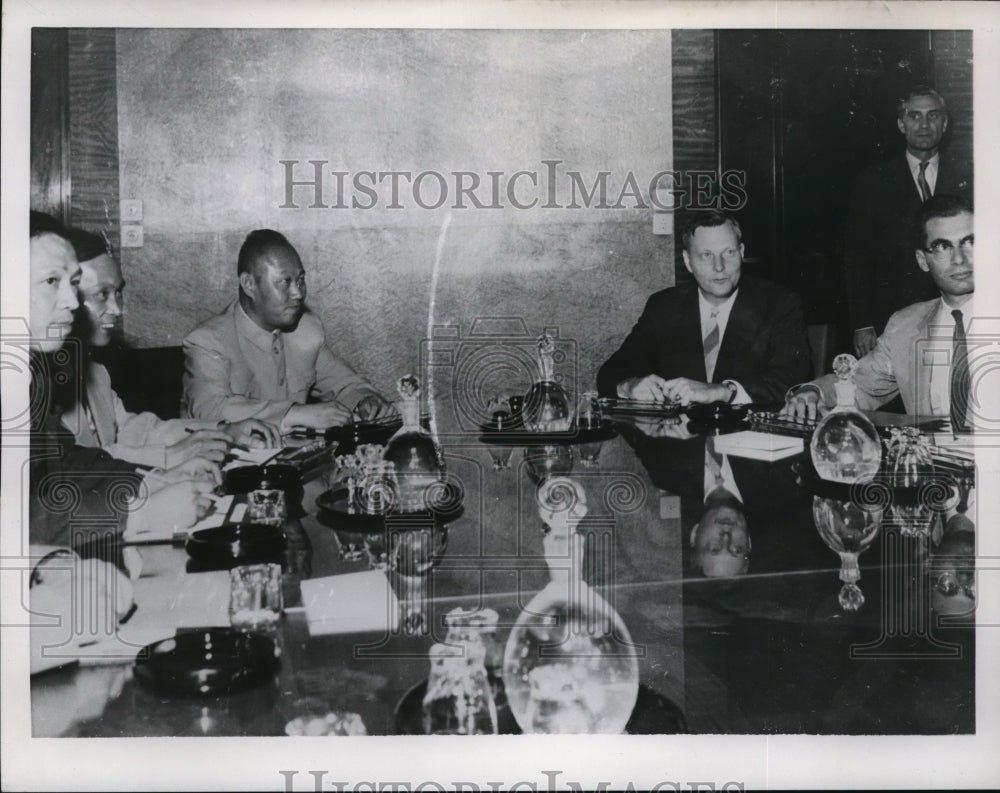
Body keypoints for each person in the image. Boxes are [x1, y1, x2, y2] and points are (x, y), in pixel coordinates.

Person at [28, 211, 213, 549]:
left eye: (72, 283)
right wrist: (140, 512)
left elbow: (67, 462)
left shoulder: (30, 376)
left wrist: (147, 483)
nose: (72, 302)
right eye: (52, 281)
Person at [60, 228, 280, 468]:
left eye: (118, 292)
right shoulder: (36, 384)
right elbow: (73, 466)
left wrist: (223, 431)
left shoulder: (95, 373)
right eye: (102, 294)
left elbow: (134, 430)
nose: (117, 309)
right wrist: (170, 455)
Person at [783, 194, 974, 423]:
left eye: (970, 241)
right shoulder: (906, 325)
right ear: (923, 260)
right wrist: (813, 393)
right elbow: (859, 385)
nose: (960, 259)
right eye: (942, 246)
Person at [182, 229, 394, 430]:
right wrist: (295, 414)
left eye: (300, 280)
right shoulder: (207, 341)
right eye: (285, 282)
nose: (298, 293)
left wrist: (365, 401)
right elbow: (210, 410)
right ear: (249, 285)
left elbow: (344, 383)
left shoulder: (306, 330)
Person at [597, 210, 810, 405]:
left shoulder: (779, 304)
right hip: (678, 442)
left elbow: (793, 382)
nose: (719, 267)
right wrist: (630, 385)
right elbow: (611, 373)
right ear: (688, 262)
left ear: (742, 252)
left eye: (729, 253)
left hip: (747, 439)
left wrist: (723, 391)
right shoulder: (664, 307)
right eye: (706, 255)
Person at [845, 86, 973, 357]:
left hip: (961, 311)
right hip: (893, 318)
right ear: (902, 124)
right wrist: (862, 323)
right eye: (915, 116)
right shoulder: (872, 182)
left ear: (945, 123)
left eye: (933, 115)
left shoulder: (971, 177)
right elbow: (858, 257)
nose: (924, 124)